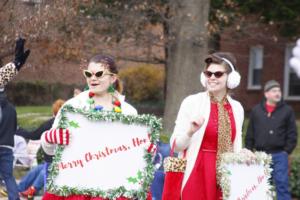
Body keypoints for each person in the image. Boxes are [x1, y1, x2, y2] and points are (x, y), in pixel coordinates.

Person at [40, 55, 145, 200]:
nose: (93, 78)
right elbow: (50, 151)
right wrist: (49, 138)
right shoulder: (72, 107)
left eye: (99, 74)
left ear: (113, 78)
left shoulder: (128, 112)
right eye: (89, 74)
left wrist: (145, 152)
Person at [170, 52, 244, 200]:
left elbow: (235, 146)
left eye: (218, 74)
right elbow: (175, 146)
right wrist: (190, 132)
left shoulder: (237, 108)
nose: (212, 78)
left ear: (231, 78)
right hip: (196, 173)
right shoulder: (192, 102)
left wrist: (244, 156)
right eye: (208, 73)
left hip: (225, 177)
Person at [245, 80, 297, 200]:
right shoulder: (256, 111)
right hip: (260, 155)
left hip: (280, 155)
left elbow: (292, 133)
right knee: (260, 186)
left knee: (282, 185)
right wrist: (248, 149)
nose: (278, 93)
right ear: (266, 94)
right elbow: (250, 133)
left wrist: (286, 151)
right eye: (274, 91)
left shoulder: (287, 111)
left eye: (279, 90)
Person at [15, 99, 65, 198]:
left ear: (54, 112)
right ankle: (19, 189)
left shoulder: (52, 123)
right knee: (39, 168)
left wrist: (17, 130)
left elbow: (34, 135)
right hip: (55, 159)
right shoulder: (61, 123)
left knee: (45, 168)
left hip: (59, 161)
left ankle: (32, 190)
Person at [0, 37, 30, 200]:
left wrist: (17, 63)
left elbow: (2, 76)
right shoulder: (10, 107)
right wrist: (17, 63)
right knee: (8, 177)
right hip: (6, 145)